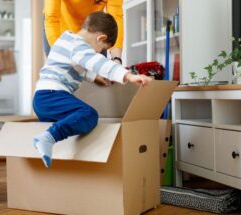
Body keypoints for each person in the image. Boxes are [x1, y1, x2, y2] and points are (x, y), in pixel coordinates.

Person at [32, 12, 152, 168]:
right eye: (101, 49)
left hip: (43, 99)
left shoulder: (68, 40)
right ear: (100, 38)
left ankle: (49, 143)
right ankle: (48, 137)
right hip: (51, 96)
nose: (97, 52)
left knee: (68, 131)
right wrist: (128, 76)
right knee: (88, 114)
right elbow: (97, 62)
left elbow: (77, 66)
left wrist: (94, 77)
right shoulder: (78, 44)